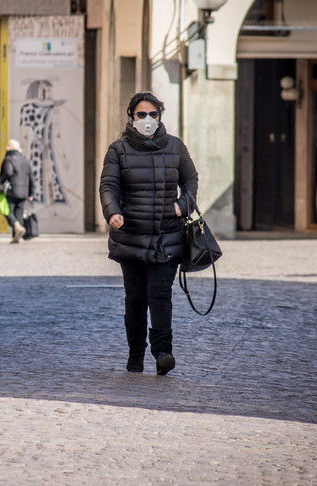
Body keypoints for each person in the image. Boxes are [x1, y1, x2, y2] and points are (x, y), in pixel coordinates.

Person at [99, 92, 198, 375]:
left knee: (160, 295)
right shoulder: (118, 149)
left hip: (167, 235)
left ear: (160, 117)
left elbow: (190, 179)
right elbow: (108, 186)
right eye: (141, 115)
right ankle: (135, 355)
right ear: (131, 116)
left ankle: (163, 352)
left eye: (152, 115)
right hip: (130, 236)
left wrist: (184, 204)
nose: (147, 120)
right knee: (135, 298)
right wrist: (112, 212)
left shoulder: (176, 147)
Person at [0, 139, 35, 243]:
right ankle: (16, 237)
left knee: (7, 211)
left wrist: (1, 180)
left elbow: (8, 173)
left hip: (12, 190)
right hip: (24, 192)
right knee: (18, 214)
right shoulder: (25, 160)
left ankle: (16, 226)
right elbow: (31, 177)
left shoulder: (9, 159)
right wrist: (31, 193)